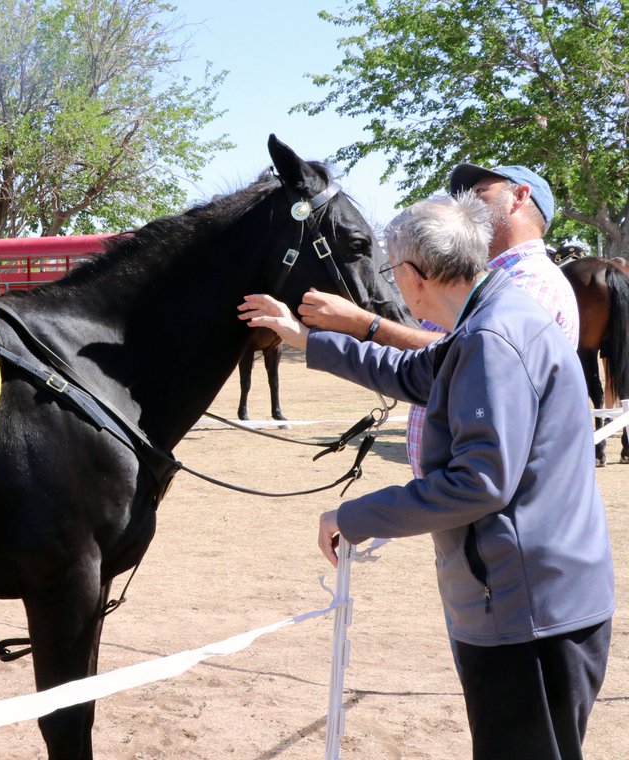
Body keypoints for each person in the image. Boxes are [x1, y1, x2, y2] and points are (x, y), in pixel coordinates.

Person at [240, 193, 614, 760]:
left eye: (392, 271)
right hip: (539, 600)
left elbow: (480, 481)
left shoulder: (491, 339)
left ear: (415, 276)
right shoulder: (493, 317)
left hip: (527, 614)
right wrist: (305, 339)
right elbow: (413, 372)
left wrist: (354, 516)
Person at [295, 164, 578, 478]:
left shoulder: (529, 282)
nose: (465, 203)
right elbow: (421, 366)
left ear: (520, 197)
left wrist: (363, 323)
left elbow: (457, 354)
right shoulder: (494, 283)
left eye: (479, 192)